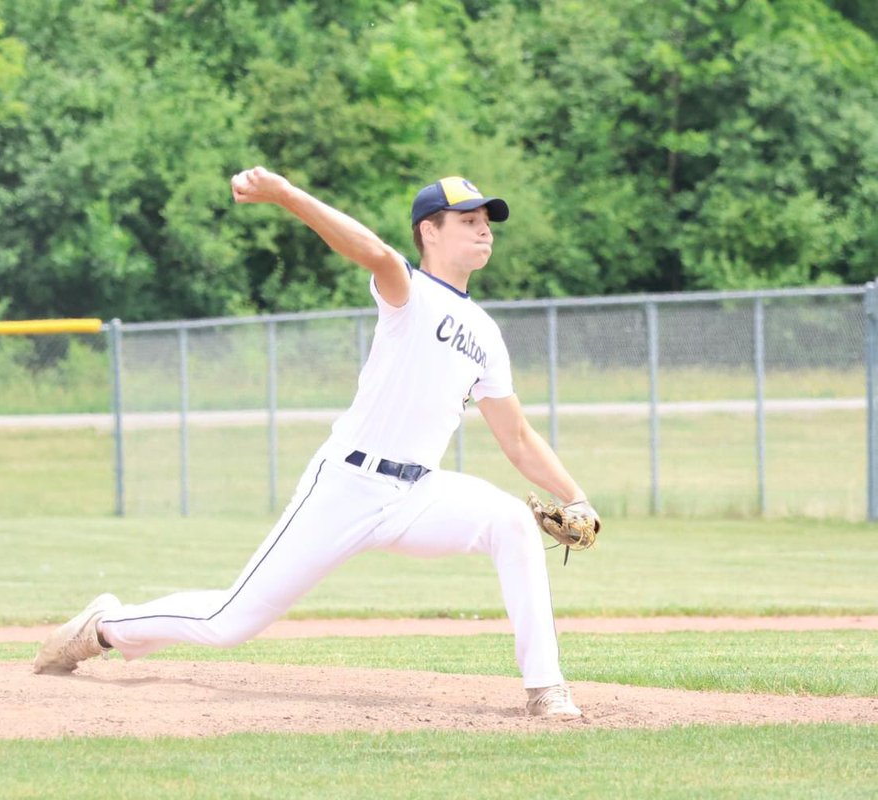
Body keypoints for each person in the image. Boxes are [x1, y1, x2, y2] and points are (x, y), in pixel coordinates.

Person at [34, 167, 601, 719]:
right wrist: (284, 194)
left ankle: (546, 687)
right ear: (429, 230)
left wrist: (575, 496)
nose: (484, 230)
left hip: (417, 494)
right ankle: (105, 627)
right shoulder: (410, 292)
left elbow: (517, 437)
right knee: (229, 622)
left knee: (511, 521)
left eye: (487, 222)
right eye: (468, 220)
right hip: (347, 485)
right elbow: (373, 252)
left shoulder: (486, 335)